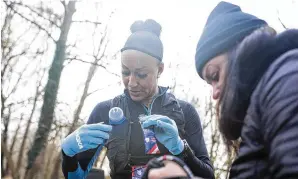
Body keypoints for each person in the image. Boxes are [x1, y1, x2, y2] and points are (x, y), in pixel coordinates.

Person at [147, 1, 298, 178]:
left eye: (214, 75)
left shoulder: (287, 76)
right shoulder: (266, 100)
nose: (215, 94)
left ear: (241, 50)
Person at [61, 19, 214, 179]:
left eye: (141, 74)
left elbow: (208, 175)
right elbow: (76, 177)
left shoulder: (185, 111)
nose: (132, 83)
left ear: (159, 69)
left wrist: (181, 149)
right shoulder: (104, 111)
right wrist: (68, 154)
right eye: (125, 72)